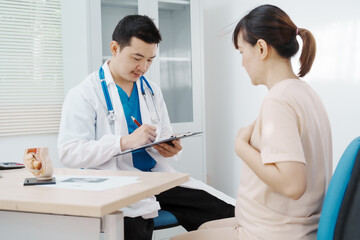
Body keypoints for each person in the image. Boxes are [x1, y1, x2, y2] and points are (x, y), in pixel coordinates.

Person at [58, 15, 234, 240]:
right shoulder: (84, 93)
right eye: (137, 57)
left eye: (150, 60)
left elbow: (165, 133)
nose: (143, 67)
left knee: (229, 212)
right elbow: (69, 152)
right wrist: (124, 142)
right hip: (116, 185)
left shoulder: (151, 90)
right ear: (114, 48)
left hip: (157, 180)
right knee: (135, 225)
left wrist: (170, 148)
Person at [171, 4, 332, 240]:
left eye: (241, 52)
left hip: (275, 232)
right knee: (204, 229)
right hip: (290, 226)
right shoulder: (304, 92)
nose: (243, 63)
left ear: (261, 48)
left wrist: (241, 147)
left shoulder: (278, 101)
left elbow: (292, 185)